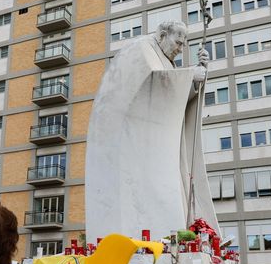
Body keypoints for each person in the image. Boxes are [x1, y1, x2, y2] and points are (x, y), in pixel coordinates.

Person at [85, 20, 218, 242]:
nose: (180, 48)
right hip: (133, 148)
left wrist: (197, 80)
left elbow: (174, 102)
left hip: (157, 148)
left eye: (184, 45)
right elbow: (146, 85)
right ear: (163, 34)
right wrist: (189, 75)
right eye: (177, 42)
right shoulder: (141, 49)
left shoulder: (167, 62)